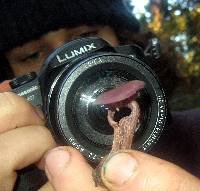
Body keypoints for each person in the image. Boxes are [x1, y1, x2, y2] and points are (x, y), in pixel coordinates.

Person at [0, 0, 199, 191]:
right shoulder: (18, 170)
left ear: (124, 39)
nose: (74, 62)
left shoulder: (193, 133)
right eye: (32, 55)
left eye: (87, 34)